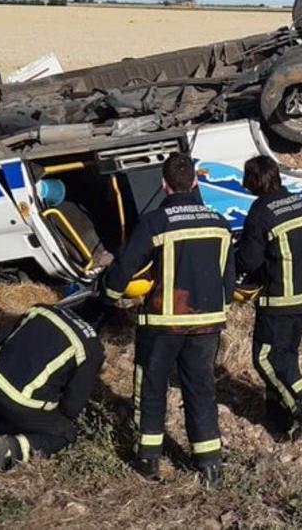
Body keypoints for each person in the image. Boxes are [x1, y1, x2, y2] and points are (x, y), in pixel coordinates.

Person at [102, 152, 235, 487]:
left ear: (163, 185)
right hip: (207, 325)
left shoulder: (154, 223)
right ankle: (209, 463)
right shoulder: (220, 223)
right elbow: (229, 282)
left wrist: (108, 296)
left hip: (162, 324)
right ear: (195, 182)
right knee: (201, 389)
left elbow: (123, 267)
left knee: (151, 387)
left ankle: (149, 460)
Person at [0, 294, 106, 474]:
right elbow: (73, 405)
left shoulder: (41, 310)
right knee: (63, 433)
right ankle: (9, 449)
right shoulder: (91, 348)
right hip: (21, 400)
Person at [234, 155, 302, 440]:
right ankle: (277, 417)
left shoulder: (261, 211)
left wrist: (229, 262)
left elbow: (248, 260)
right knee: (286, 356)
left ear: (252, 182)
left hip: (281, 298)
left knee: (266, 359)